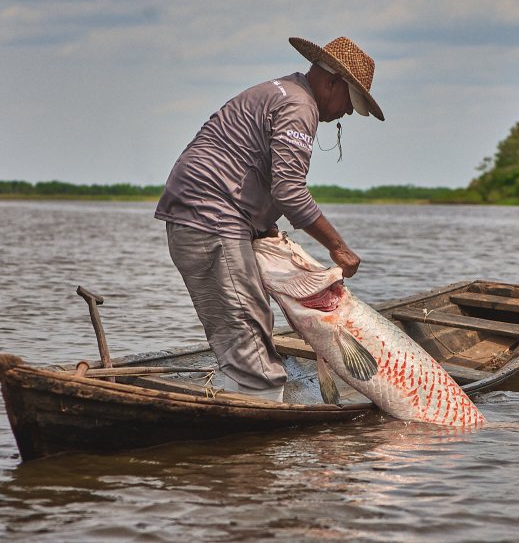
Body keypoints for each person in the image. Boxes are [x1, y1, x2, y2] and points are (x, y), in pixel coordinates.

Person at [154, 36, 384, 401]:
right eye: (350, 103)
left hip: (206, 214)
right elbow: (289, 191)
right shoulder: (299, 106)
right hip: (211, 218)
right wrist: (339, 248)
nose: (346, 114)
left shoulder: (284, 92)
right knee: (247, 331)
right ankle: (257, 435)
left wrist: (263, 228)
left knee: (247, 324)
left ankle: (246, 400)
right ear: (332, 82)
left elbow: (255, 174)